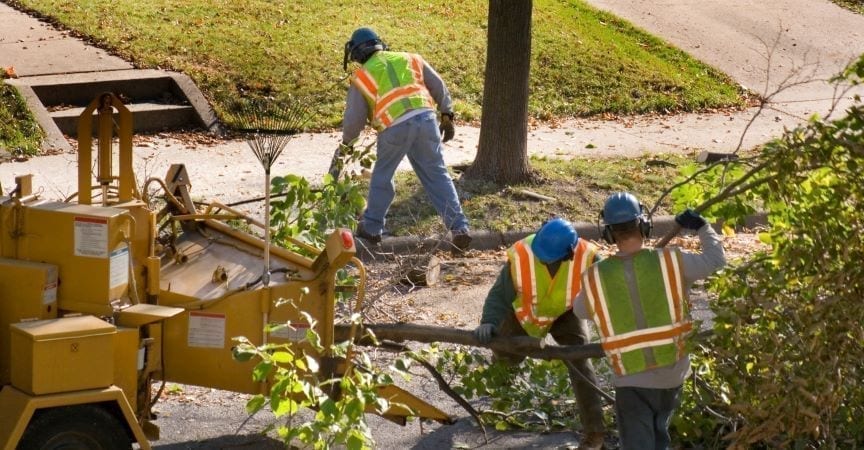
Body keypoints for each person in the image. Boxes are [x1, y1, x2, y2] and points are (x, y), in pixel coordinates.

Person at [572, 192, 726, 449]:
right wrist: (702, 227)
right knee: (659, 439)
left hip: (631, 378)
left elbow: (580, 312)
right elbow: (716, 260)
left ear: (608, 233)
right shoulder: (671, 261)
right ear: (644, 225)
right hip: (673, 373)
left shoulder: (595, 277)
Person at [473, 218, 607, 449]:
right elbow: (499, 294)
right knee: (507, 356)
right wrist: (488, 322)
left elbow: (610, 291)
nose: (543, 260)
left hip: (566, 312)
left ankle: (595, 432)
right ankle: (500, 386)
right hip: (524, 313)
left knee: (580, 362)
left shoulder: (589, 257)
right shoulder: (524, 253)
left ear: (569, 253)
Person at [340, 27, 470, 252]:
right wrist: (447, 113)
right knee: (437, 174)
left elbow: (354, 120)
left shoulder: (362, 76)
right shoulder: (410, 58)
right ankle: (459, 228)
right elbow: (438, 84)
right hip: (426, 120)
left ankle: (371, 228)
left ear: (358, 53)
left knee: (383, 175)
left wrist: (347, 143)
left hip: (394, 127)